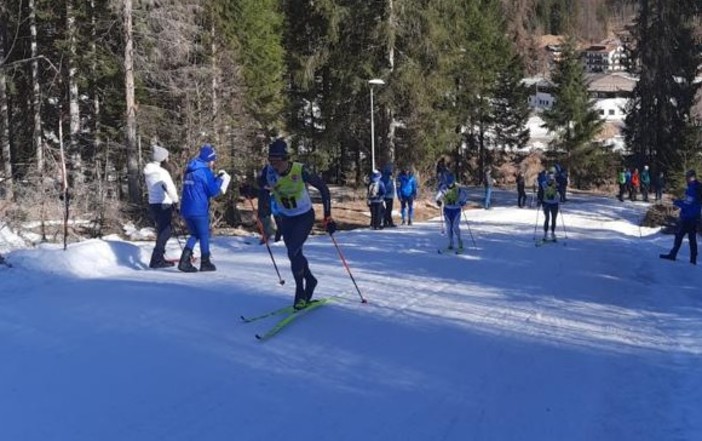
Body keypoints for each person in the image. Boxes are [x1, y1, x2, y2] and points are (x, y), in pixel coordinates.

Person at [258, 139, 335, 309]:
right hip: (287, 218)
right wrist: (252, 192)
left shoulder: (300, 170)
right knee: (293, 254)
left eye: (277, 161)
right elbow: (261, 187)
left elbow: (323, 188)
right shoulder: (268, 172)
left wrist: (328, 216)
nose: (274, 165)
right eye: (271, 160)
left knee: (293, 250)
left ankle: (301, 292)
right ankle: (311, 280)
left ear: (286, 158)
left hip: (304, 216)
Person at [178, 144, 231, 272]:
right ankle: (205, 262)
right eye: (213, 159)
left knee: (194, 234)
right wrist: (221, 180)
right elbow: (213, 191)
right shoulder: (205, 172)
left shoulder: (190, 170)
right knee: (204, 235)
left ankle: (184, 260)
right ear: (209, 159)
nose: (213, 162)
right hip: (199, 209)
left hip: (186, 208)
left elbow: (201, 186)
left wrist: (215, 178)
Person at [144, 144, 180, 268]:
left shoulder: (148, 171)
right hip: (164, 203)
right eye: (167, 157)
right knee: (166, 231)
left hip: (153, 203)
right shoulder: (162, 172)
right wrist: (175, 201)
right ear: (162, 159)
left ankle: (159, 257)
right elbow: (170, 188)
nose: (168, 159)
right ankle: (157, 258)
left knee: (162, 230)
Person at [659, 170, 702, 265]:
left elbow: (686, 204)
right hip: (694, 216)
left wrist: (675, 201)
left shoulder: (693, 189)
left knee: (680, 236)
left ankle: (674, 255)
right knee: (690, 238)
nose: (686, 179)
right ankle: (692, 259)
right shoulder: (697, 187)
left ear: (692, 177)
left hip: (689, 217)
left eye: (687, 177)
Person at [435, 173, 469, 251]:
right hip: (447, 210)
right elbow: (438, 196)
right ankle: (451, 243)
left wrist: (463, 202)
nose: (449, 185)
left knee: (455, 227)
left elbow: (464, 196)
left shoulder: (457, 188)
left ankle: (460, 242)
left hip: (456, 209)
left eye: (450, 183)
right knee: (449, 227)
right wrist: (438, 201)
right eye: (448, 183)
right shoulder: (443, 188)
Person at [541, 172, 560, 241]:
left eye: (552, 177)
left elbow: (560, 191)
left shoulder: (556, 184)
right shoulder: (543, 184)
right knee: (547, 218)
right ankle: (545, 234)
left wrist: (558, 188)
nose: (550, 179)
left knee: (553, 218)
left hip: (555, 203)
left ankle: (552, 233)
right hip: (546, 203)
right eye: (549, 177)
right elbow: (541, 192)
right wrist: (539, 200)